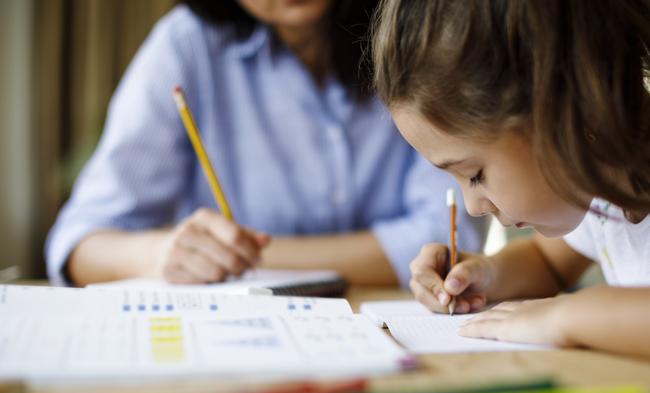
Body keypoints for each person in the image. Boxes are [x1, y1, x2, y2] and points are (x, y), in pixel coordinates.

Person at [45, 0, 486, 288]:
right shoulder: (185, 47)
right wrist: (163, 253)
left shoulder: (421, 29)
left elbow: (448, 239)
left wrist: (245, 260)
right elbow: (78, 245)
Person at [372, 0, 650, 356]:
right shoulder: (602, 190)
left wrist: (566, 316)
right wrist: (485, 274)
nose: (473, 207)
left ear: (564, 105)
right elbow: (547, 262)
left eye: (475, 174)